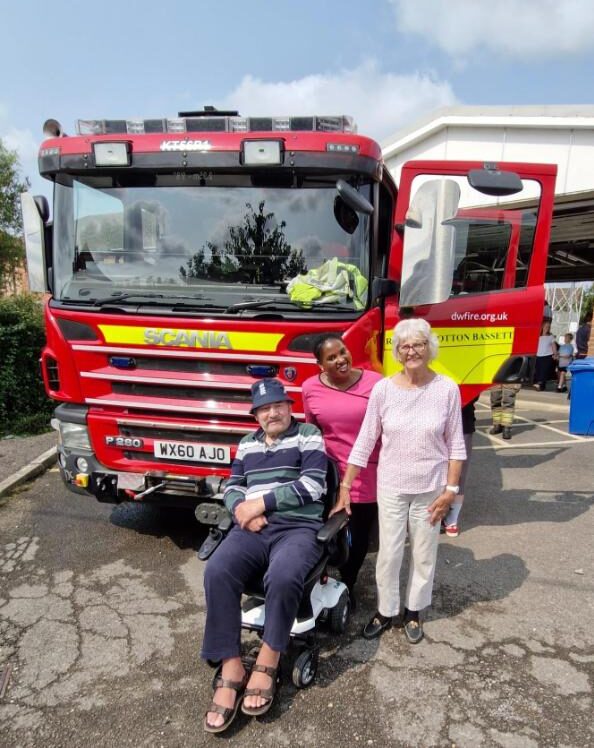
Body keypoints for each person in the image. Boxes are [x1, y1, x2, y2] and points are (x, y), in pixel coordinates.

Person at [201, 378, 327, 733]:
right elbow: (233, 485)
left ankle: (269, 658)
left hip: (297, 527)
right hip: (252, 527)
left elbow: (314, 484)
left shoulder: (308, 434)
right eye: (264, 408)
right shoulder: (246, 444)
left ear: (290, 407)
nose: (273, 413)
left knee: (285, 575)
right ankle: (232, 666)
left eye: (279, 405)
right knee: (217, 572)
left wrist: (263, 502)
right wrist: (241, 508)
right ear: (256, 415)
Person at [336, 318, 466, 644]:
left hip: (431, 488)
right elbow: (366, 440)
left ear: (429, 347)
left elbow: (456, 446)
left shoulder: (447, 389)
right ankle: (386, 609)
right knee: (389, 554)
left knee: (424, 553)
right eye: (405, 346)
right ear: (397, 352)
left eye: (418, 344)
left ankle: (413, 610)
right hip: (392, 486)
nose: (412, 351)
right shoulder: (383, 389)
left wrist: (451, 490)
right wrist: (346, 486)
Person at [302, 334, 383, 608]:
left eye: (343, 352)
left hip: (366, 471)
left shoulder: (376, 383)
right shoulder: (309, 388)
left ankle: (349, 584)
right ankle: (322, 580)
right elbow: (312, 432)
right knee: (324, 530)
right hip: (329, 472)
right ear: (320, 365)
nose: (340, 360)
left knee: (358, 534)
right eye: (331, 357)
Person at [443, 397, 478, 537]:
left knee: (459, 474)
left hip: (464, 424)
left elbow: (474, 394)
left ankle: (452, 518)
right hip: (434, 423)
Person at [533, 320, 558, 391]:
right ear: (542, 327)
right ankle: (541, 386)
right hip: (538, 356)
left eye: (548, 327)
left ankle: (540, 385)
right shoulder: (538, 336)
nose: (547, 328)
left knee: (544, 371)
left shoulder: (551, 337)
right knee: (538, 371)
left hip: (547, 356)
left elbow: (554, 346)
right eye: (546, 326)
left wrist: (555, 354)